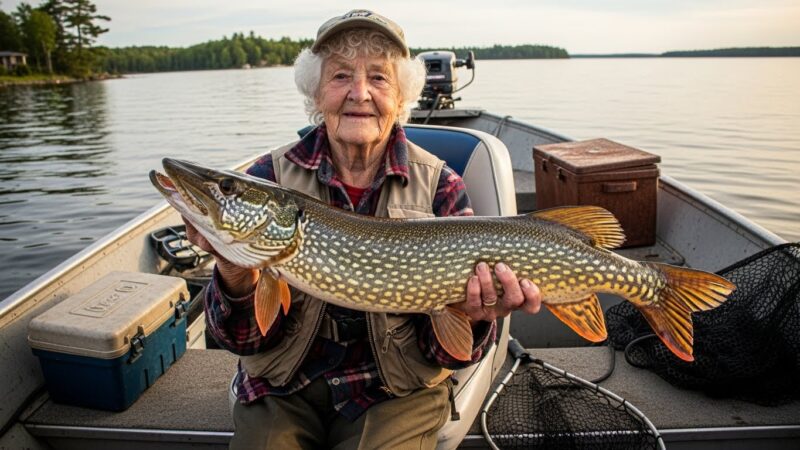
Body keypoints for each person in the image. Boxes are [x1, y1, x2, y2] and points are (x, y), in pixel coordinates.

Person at [185, 9, 542, 450]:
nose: (359, 93)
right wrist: (237, 273)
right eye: (340, 77)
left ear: (400, 96)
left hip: (396, 390)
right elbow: (238, 339)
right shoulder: (270, 177)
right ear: (316, 94)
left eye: (378, 78)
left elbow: (451, 352)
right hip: (283, 384)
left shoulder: (440, 185)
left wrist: (473, 313)